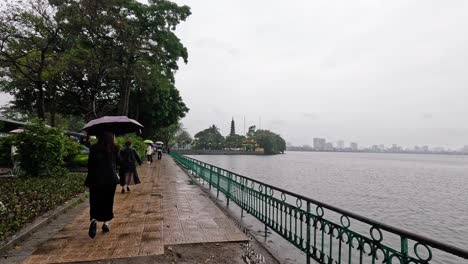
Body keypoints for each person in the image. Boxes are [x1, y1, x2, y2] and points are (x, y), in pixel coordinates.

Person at [84, 131, 119, 239]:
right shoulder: (115, 148)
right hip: (110, 180)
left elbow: (89, 165)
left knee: (95, 200)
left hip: (95, 179)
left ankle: (94, 220)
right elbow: (119, 162)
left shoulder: (94, 148)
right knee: (108, 201)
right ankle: (105, 223)